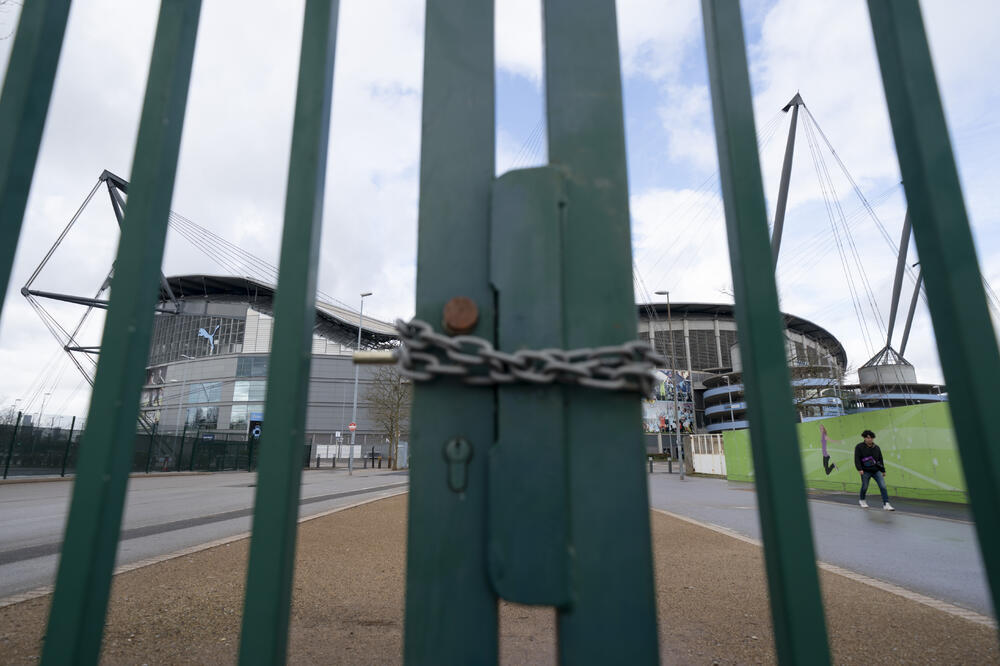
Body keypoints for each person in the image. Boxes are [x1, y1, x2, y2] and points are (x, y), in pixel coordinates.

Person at [854, 429, 894, 511]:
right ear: (864, 438)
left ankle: (886, 504)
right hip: (865, 471)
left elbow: (880, 459)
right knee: (865, 486)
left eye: (871, 438)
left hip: (876, 470)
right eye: (868, 438)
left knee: (883, 486)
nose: (870, 439)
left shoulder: (876, 448)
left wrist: (883, 470)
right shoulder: (859, 447)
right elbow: (857, 459)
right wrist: (859, 469)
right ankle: (862, 500)